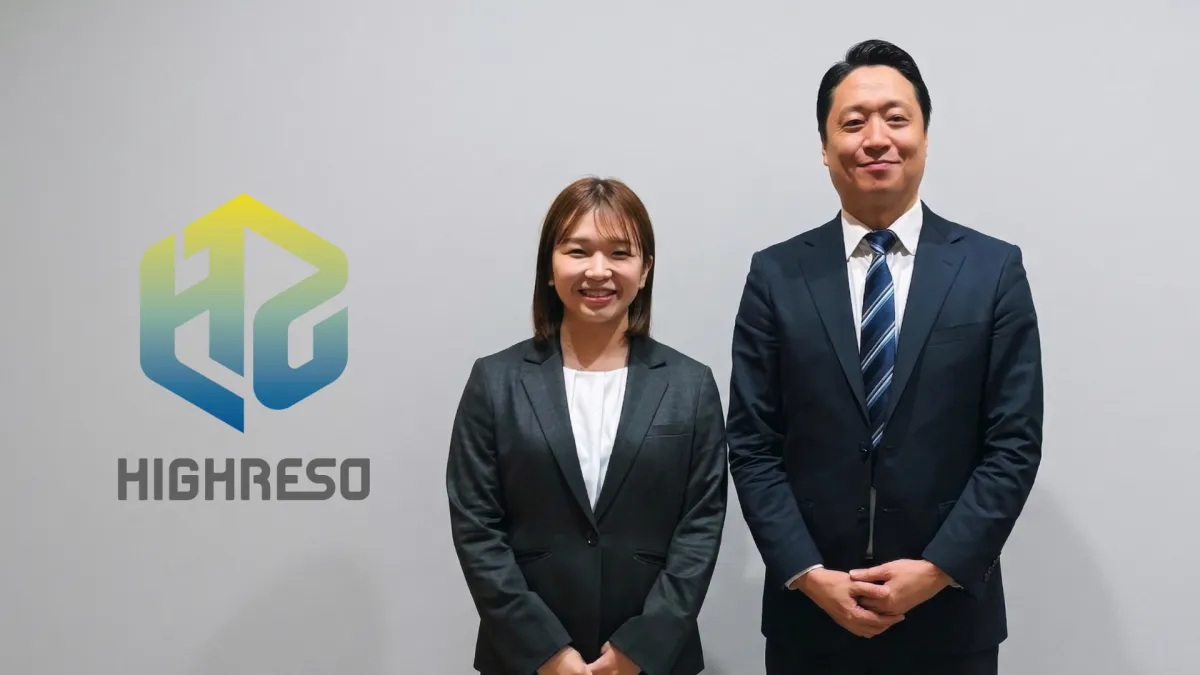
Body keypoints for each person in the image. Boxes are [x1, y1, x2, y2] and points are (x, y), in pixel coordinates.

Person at [726, 39, 1043, 675]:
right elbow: (753, 443)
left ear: (924, 135)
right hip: (810, 618)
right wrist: (808, 573)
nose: (876, 139)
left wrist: (938, 569)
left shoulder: (992, 270)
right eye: (853, 123)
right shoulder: (776, 275)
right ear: (824, 147)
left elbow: (1013, 443)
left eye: (896, 118)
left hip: (949, 618)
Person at [446, 176, 729, 675]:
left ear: (645, 269)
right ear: (549, 268)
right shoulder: (495, 381)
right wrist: (546, 652)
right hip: (524, 660)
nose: (599, 271)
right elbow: (477, 529)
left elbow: (700, 528)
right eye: (578, 251)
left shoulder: (691, 385)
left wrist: (639, 649)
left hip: (653, 660)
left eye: (620, 253)